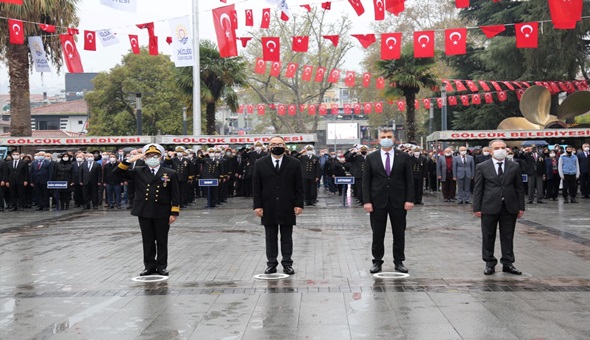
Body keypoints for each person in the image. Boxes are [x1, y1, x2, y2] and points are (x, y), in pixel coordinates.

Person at [115, 143, 180, 276]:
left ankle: (162, 266)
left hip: (162, 211)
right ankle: (149, 266)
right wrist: (130, 160)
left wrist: (174, 212)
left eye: (155, 156)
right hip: (144, 210)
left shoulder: (170, 173)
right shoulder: (138, 171)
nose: (152, 158)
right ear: (144, 158)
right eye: (149, 156)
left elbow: (175, 194)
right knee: (147, 239)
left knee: (162, 240)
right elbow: (116, 174)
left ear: (160, 157)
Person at [362, 127, 414, 274]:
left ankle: (399, 261)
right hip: (377, 202)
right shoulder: (371, 158)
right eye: (383, 136)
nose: (386, 139)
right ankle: (377, 262)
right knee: (377, 233)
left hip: (398, 201)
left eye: (389, 136)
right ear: (378, 140)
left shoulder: (403, 157)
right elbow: (366, 181)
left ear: (394, 139)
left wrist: (409, 199)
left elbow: (409, 180)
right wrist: (367, 201)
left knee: (399, 233)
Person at [253, 136, 304, 275]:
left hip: (287, 205)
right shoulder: (260, 163)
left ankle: (287, 263)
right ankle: (271, 263)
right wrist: (257, 206)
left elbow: (299, 185)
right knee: (270, 237)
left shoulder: (294, 163)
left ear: (285, 146)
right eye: (274, 144)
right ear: (268, 147)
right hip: (268, 205)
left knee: (286, 237)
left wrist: (299, 204)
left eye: (280, 144)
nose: (277, 146)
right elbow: (256, 187)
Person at [473, 139, 525, 276]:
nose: (500, 150)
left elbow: (519, 188)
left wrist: (521, 207)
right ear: (490, 151)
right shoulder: (482, 166)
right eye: (497, 148)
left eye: (503, 147)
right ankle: (489, 263)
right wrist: (476, 208)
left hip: (509, 206)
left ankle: (508, 263)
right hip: (489, 206)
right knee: (488, 235)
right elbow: (478, 188)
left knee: (508, 236)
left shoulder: (514, 166)